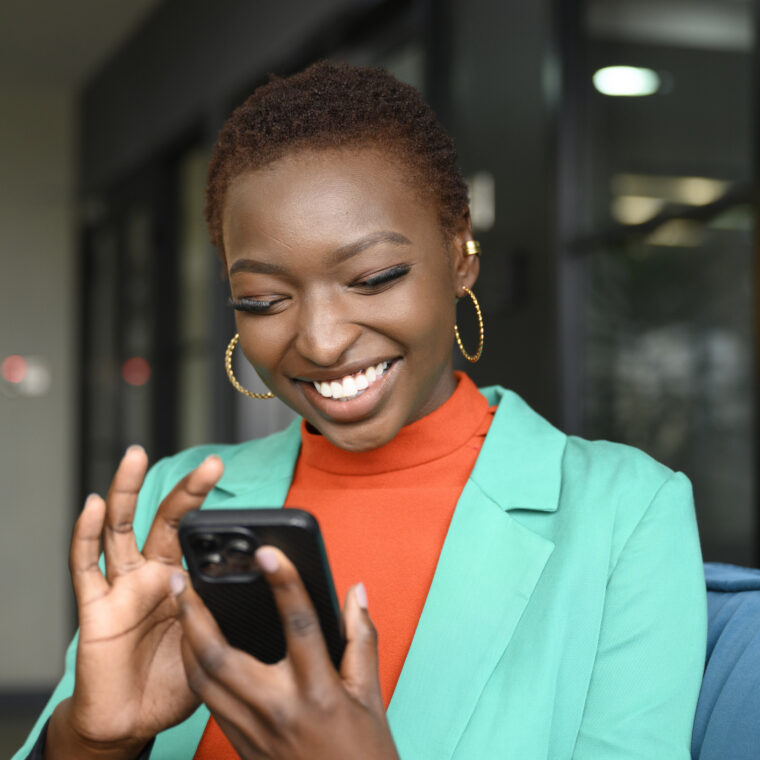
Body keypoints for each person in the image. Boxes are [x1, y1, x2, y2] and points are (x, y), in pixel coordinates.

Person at [15, 61, 706, 760]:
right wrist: (90, 741)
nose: (320, 341)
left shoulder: (625, 512)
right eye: (263, 300)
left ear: (460, 252)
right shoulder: (180, 505)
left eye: (373, 279)